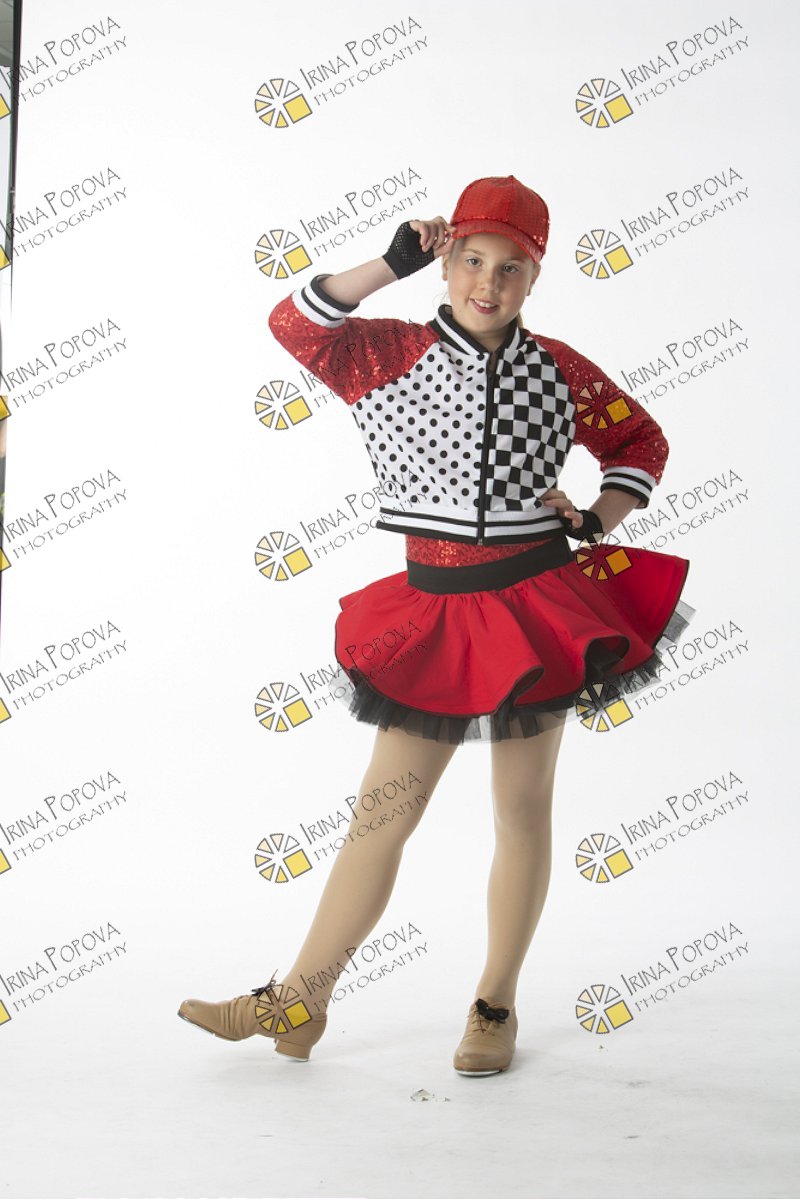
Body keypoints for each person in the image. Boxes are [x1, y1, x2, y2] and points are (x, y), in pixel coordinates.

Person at [178, 175, 690, 1075]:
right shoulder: (384, 352)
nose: (488, 283)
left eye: (511, 267)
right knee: (380, 816)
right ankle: (300, 1000)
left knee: (520, 810)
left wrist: (593, 519)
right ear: (445, 263)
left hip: (534, 608)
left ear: (535, 277)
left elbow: (639, 442)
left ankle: (496, 1003)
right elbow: (294, 324)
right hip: (431, 615)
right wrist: (388, 263)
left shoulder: (561, 369)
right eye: (472, 261)